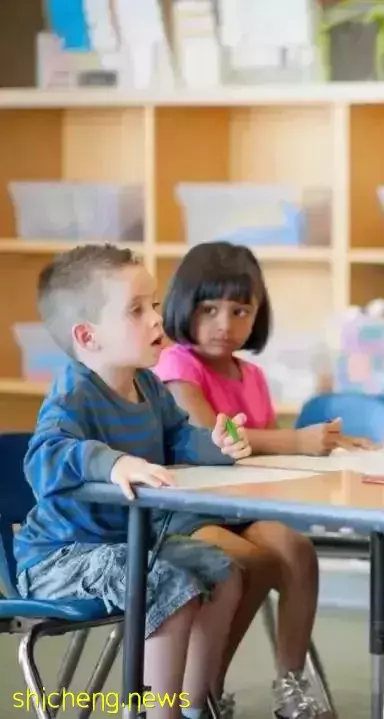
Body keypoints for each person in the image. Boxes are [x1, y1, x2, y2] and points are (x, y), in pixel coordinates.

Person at [14, 244, 248, 719]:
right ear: (88, 336)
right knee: (167, 585)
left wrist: (216, 446)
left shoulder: (148, 385)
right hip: (58, 557)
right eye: (136, 310)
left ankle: (196, 704)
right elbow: (44, 456)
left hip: (125, 545)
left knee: (225, 572)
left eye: (155, 305)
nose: (156, 320)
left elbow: (179, 438)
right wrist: (112, 462)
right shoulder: (74, 392)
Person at [154, 242, 357, 719]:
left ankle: (290, 684)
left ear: (257, 315)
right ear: (184, 307)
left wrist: (329, 445)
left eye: (240, 310)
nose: (225, 323)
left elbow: (264, 453)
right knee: (247, 563)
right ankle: (203, 692)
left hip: (241, 509)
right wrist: (298, 441)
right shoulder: (178, 364)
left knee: (296, 551)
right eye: (209, 309)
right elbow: (212, 437)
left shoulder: (253, 375)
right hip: (184, 513)